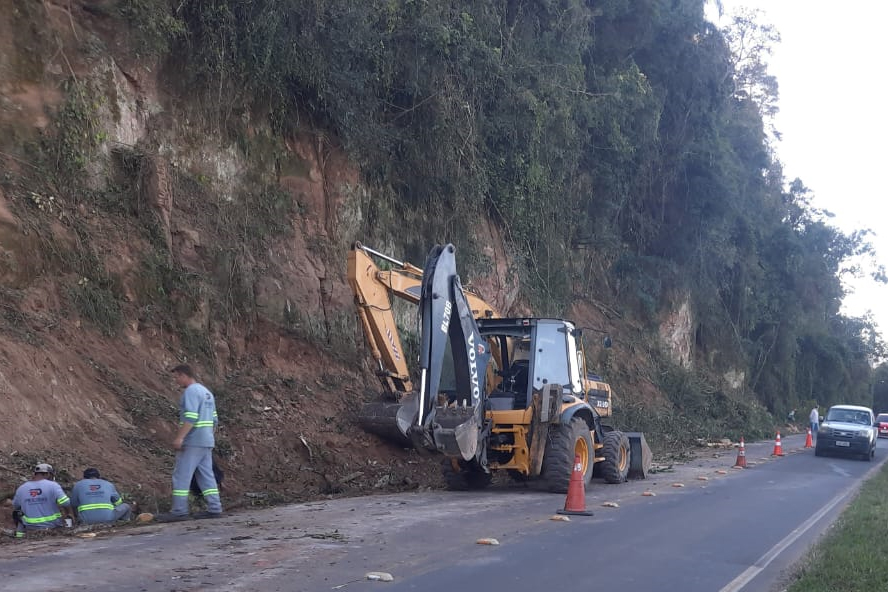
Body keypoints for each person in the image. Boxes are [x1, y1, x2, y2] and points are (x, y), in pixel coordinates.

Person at [155, 364, 223, 522]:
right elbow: (214, 420)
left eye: (176, 377)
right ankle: (215, 507)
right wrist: (208, 437)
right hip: (206, 441)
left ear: (183, 375)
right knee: (206, 476)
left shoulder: (191, 392)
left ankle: (179, 511)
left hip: (193, 441)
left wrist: (180, 438)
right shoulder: (207, 393)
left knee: (181, 476)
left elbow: (191, 418)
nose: (176, 381)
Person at [12, 463, 74, 538]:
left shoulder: (22, 488)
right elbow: (66, 503)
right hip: (52, 526)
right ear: (47, 474)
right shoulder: (53, 485)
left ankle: (19, 537)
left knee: (18, 516)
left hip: (30, 527)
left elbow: (16, 506)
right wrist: (70, 514)